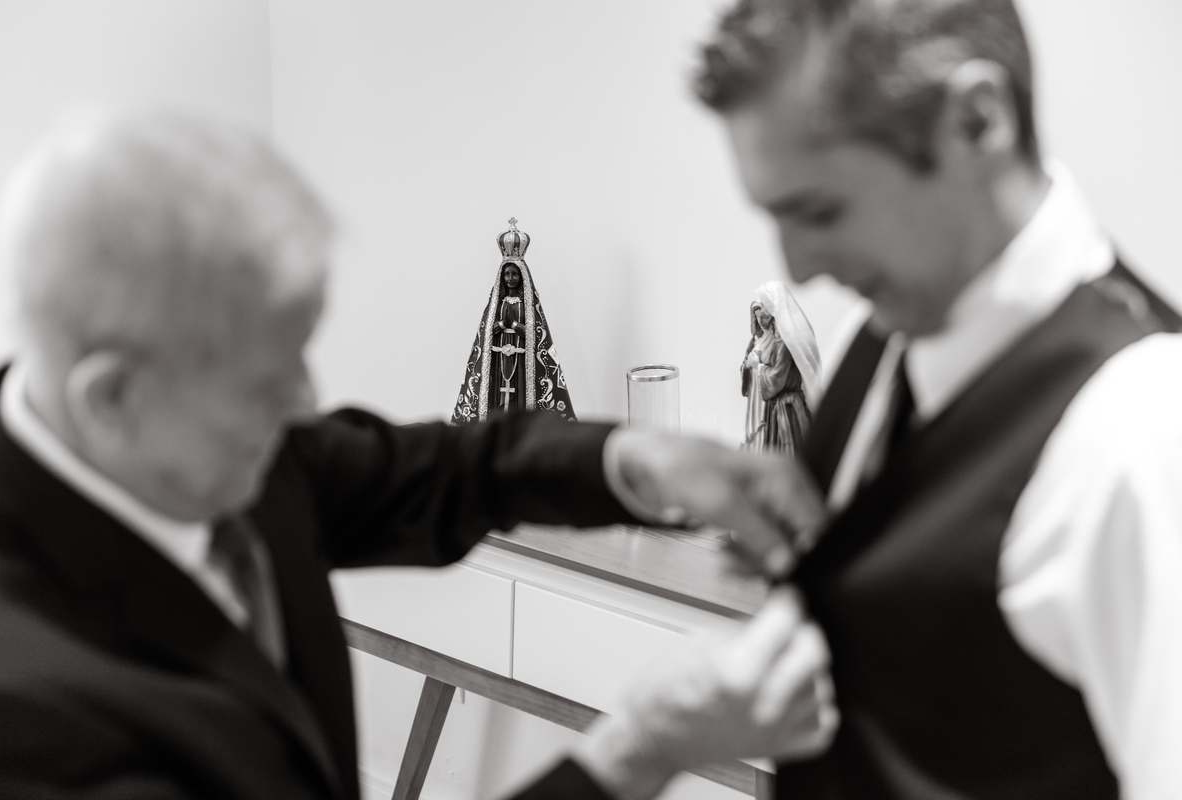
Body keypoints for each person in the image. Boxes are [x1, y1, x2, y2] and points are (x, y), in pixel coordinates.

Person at [0, 113, 835, 800]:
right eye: (265, 381)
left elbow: (442, 470)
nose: (306, 403)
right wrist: (639, 753)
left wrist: (631, 458)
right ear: (113, 397)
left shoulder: (212, 451)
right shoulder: (24, 722)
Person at [694, 0, 1182, 797]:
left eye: (821, 210)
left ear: (977, 123)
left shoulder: (1145, 436)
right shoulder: (875, 340)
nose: (798, 267)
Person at [451, 219, 575, 423]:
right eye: (507, 274)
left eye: (514, 274)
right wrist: (500, 325)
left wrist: (516, 326)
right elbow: (486, 334)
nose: (510, 278)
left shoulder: (528, 307)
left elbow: (536, 336)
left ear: (522, 276)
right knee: (498, 396)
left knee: (519, 395)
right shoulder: (496, 304)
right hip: (499, 360)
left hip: (521, 362)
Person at [741, 281, 821, 455]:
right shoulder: (761, 339)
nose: (761, 320)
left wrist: (758, 366)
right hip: (769, 407)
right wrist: (748, 366)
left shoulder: (785, 342)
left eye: (765, 315)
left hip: (786, 408)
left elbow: (778, 378)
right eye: (758, 315)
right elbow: (748, 363)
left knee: (787, 450)